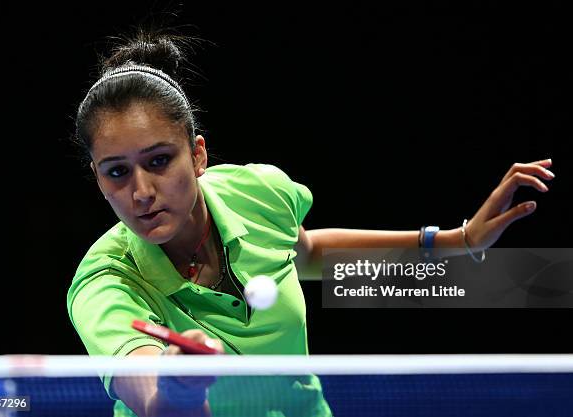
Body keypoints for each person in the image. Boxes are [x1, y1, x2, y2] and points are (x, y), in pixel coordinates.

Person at [66, 30, 554, 417]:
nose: (141, 191)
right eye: (117, 172)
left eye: (158, 161)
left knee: (544, 284)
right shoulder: (104, 282)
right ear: (98, 179)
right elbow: (151, 398)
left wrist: (457, 242)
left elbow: (309, 255)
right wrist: (177, 381)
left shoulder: (256, 192)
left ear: (197, 155)